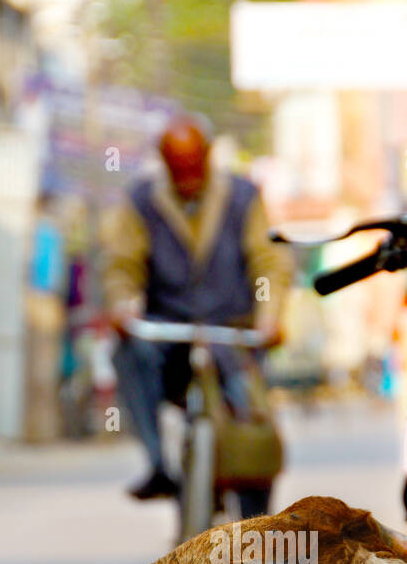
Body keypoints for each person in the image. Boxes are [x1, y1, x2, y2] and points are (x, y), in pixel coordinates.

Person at [100, 114, 292, 498]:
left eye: (193, 165)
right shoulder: (141, 200)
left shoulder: (243, 196)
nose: (187, 176)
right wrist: (124, 307)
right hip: (169, 329)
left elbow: (267, 262)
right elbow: (123, 266)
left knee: (250, 418)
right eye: (177, 167)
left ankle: (254, 518)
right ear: (165, 163)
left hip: (232, 331)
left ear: (207, 157)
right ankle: (158, 463)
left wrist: (269, 317)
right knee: (129, 354)